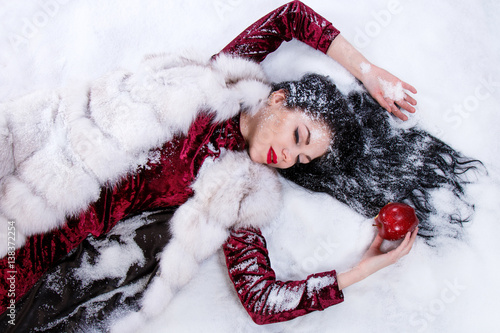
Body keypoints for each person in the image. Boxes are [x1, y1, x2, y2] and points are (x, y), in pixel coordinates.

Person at [0, 1, 479, 331]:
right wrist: (369, 71)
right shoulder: (222, 79)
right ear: (277, 98)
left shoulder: (240, 191)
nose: (289, 157)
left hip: (28, 249)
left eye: (301, 158)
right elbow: (291, 16)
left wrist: (361, 270)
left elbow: (262, 300)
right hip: (28, 155)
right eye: (297, 136)